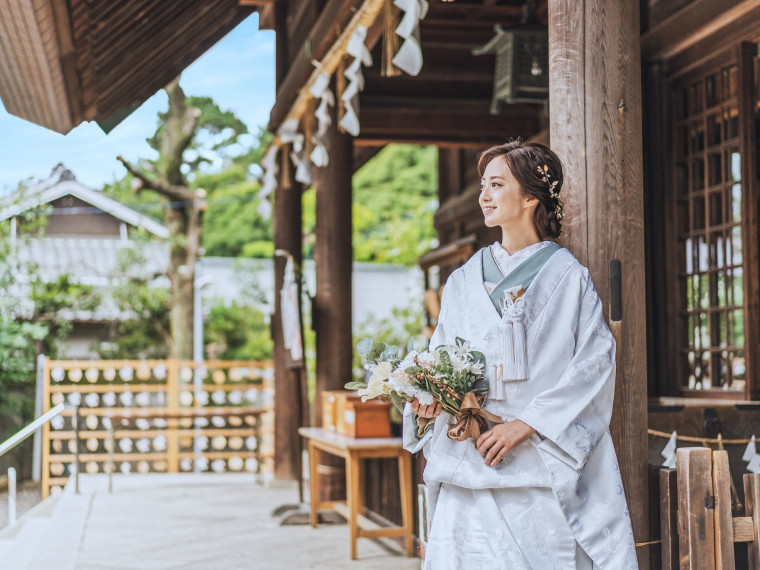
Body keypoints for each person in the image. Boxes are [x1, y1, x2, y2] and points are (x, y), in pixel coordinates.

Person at [403, 140, 638, 569]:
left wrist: (527, 423)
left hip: (539, 459)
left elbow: (594, 365)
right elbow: (439, 357)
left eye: (497, 184)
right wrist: (428, 396)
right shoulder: (462, 280)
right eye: (482, 186)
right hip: (471, 454)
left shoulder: (569, 277)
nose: (484, 196)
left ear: (530, 197)